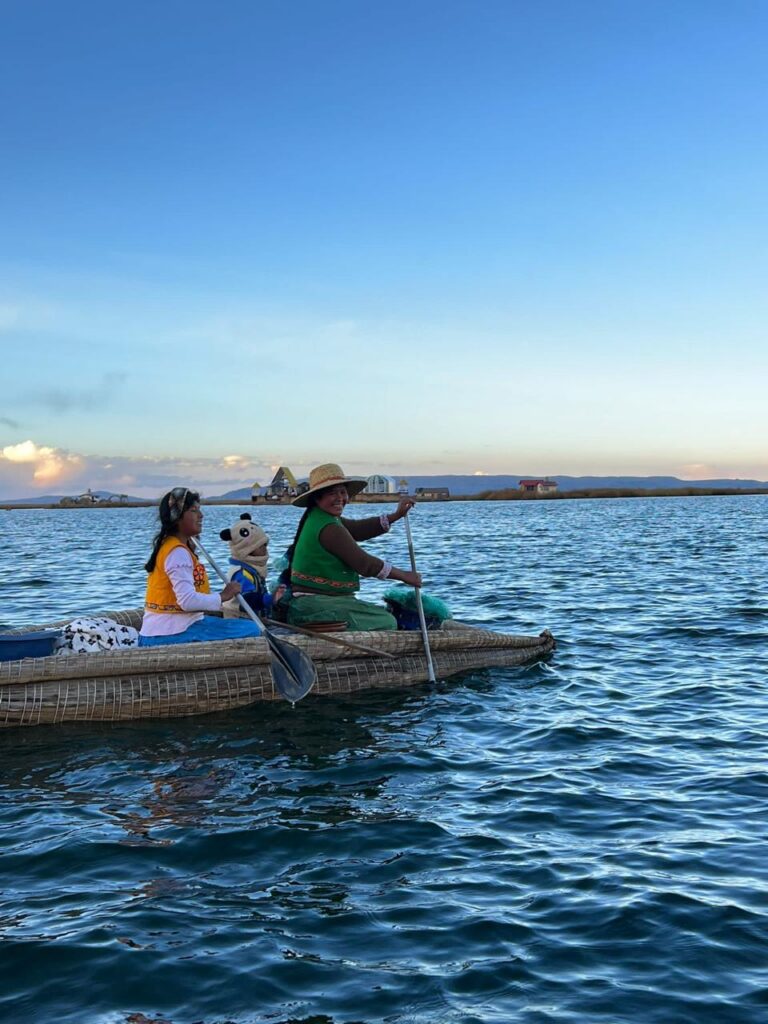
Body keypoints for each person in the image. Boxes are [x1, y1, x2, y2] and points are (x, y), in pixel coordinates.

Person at [282, 463, 422, 632]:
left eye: (342, 492)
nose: (340, 498)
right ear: (317, 499)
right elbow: (364, 563)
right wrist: (405, 576)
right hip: (314, 606)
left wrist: (395, 516)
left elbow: (357, 529)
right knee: (387, 622)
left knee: (382, 615)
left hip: (318, 602)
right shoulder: (328, 527)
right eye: (332, 493)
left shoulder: (322, 517)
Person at [138, 487, 263, 647]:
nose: (201, 515)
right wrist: (223, 596)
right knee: (252, 629)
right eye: (193, 511)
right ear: (178, 517)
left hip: (174, 628)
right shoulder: (177, 553)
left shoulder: (173, 546)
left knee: (243, 625)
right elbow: (187, 601)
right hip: (168, 634)